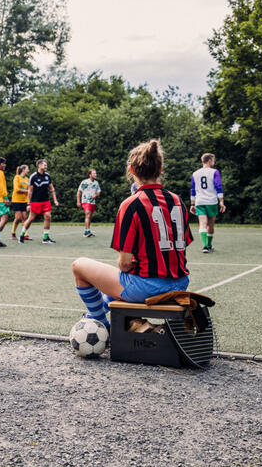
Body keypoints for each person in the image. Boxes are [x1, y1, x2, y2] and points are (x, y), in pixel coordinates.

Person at [71, 139, 192, 331]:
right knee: (121, 280)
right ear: (160, 170)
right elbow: (182, 246)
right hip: (180, 284)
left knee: (79, 266)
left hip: (146, 288)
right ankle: (103, 315)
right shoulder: (177, 201)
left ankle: (102, 324)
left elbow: (125, 263)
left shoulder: (131, 204)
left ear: (132, 171)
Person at [190, 153, 225, 253]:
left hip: (199, 202)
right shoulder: (215, 172)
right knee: (210, 225)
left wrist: (192, 204)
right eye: (213, 160)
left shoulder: (195, 173)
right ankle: (208, 245)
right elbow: (218, 187)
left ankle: (205, 246)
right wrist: (221, 201)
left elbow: (193, 190)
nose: (214, 162)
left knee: (202, 224)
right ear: (209, 160)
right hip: (212, 201)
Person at [18, 159, 59, 244]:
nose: (46, 166)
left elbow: (52, 189)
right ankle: (22, 235)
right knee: (31, 219)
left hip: (46, 201)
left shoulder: (48, 176)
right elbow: (30, 191)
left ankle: (46, 238)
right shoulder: (33, 177)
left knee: (48, 216)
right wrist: (28, 204)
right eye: (44, 165)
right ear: (39, 166)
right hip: (35, 202)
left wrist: (55, 200)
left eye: (46, 165)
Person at [76, 169, 101, 237]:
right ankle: (86, 232)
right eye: (94, 173)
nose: (95, 174)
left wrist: (95, 195)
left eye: (96, 173)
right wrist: (78, 201)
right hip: (85, 201)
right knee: (88, 214)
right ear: (90, 175)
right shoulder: (85, 182)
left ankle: (87, 230)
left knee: (90, 216)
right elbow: (79, 192)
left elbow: (98, 192)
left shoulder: (96, 183)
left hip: (92, 202)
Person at [10, 165, 31, 240]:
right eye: (27, 169)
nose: (28, 170)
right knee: (18, 218)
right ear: (23, 170)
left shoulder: (27, 179)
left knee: (25, 218)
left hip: (24, 201)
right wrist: (28, 191)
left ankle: (25, 234)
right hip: (16, 200)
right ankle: (13, 233)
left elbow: (29, 190)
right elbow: (17, 189)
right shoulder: (17, 177)